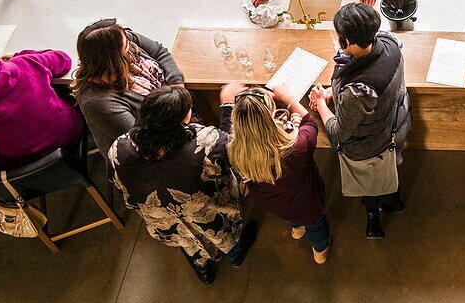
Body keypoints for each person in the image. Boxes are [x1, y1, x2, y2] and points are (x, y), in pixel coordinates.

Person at [108, 85, 257, 284]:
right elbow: (234, 153)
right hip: (210, 214)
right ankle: (236, 256)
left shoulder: (118, 149)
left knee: (187, 243)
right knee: (225, 237)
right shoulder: (204, 142)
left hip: (164, 222)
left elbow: (122, 190)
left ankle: (204, 273)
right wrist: (228, 106)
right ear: (182, 120)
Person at [309, 2, 410, 239]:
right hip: (396, 123)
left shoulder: (357, 92)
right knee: (391, 168)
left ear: (347, 41)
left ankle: (373, 216)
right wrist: (332, 93)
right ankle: (393, 201)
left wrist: (322, 103)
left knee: (371, 182)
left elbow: (338, 131)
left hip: (371, 144)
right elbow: (366, 79)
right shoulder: (390, 44)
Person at [225, 82, 330, 264]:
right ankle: (320, 251)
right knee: (317, 227)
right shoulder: (295, 146)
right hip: (306, 203)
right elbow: (310, 124)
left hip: (273, 205)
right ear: (269, 119)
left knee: (291, 218)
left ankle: (297, 229)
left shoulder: (235, 150)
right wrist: (289, 100)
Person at [0, 33, 83, 174]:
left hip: (27, 164)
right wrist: (20, 55)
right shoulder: (24, 63)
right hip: (70, 135)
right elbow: (63, 60)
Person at [73, 18, 185, 158]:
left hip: (175, 113)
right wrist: (181, 112)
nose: (130, 40)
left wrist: (177, 86)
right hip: (152, 154)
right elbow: (144, 141)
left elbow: (159, 51)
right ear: (112, 59)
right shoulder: (98, 101)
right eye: (126, 45)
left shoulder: (123, 38)